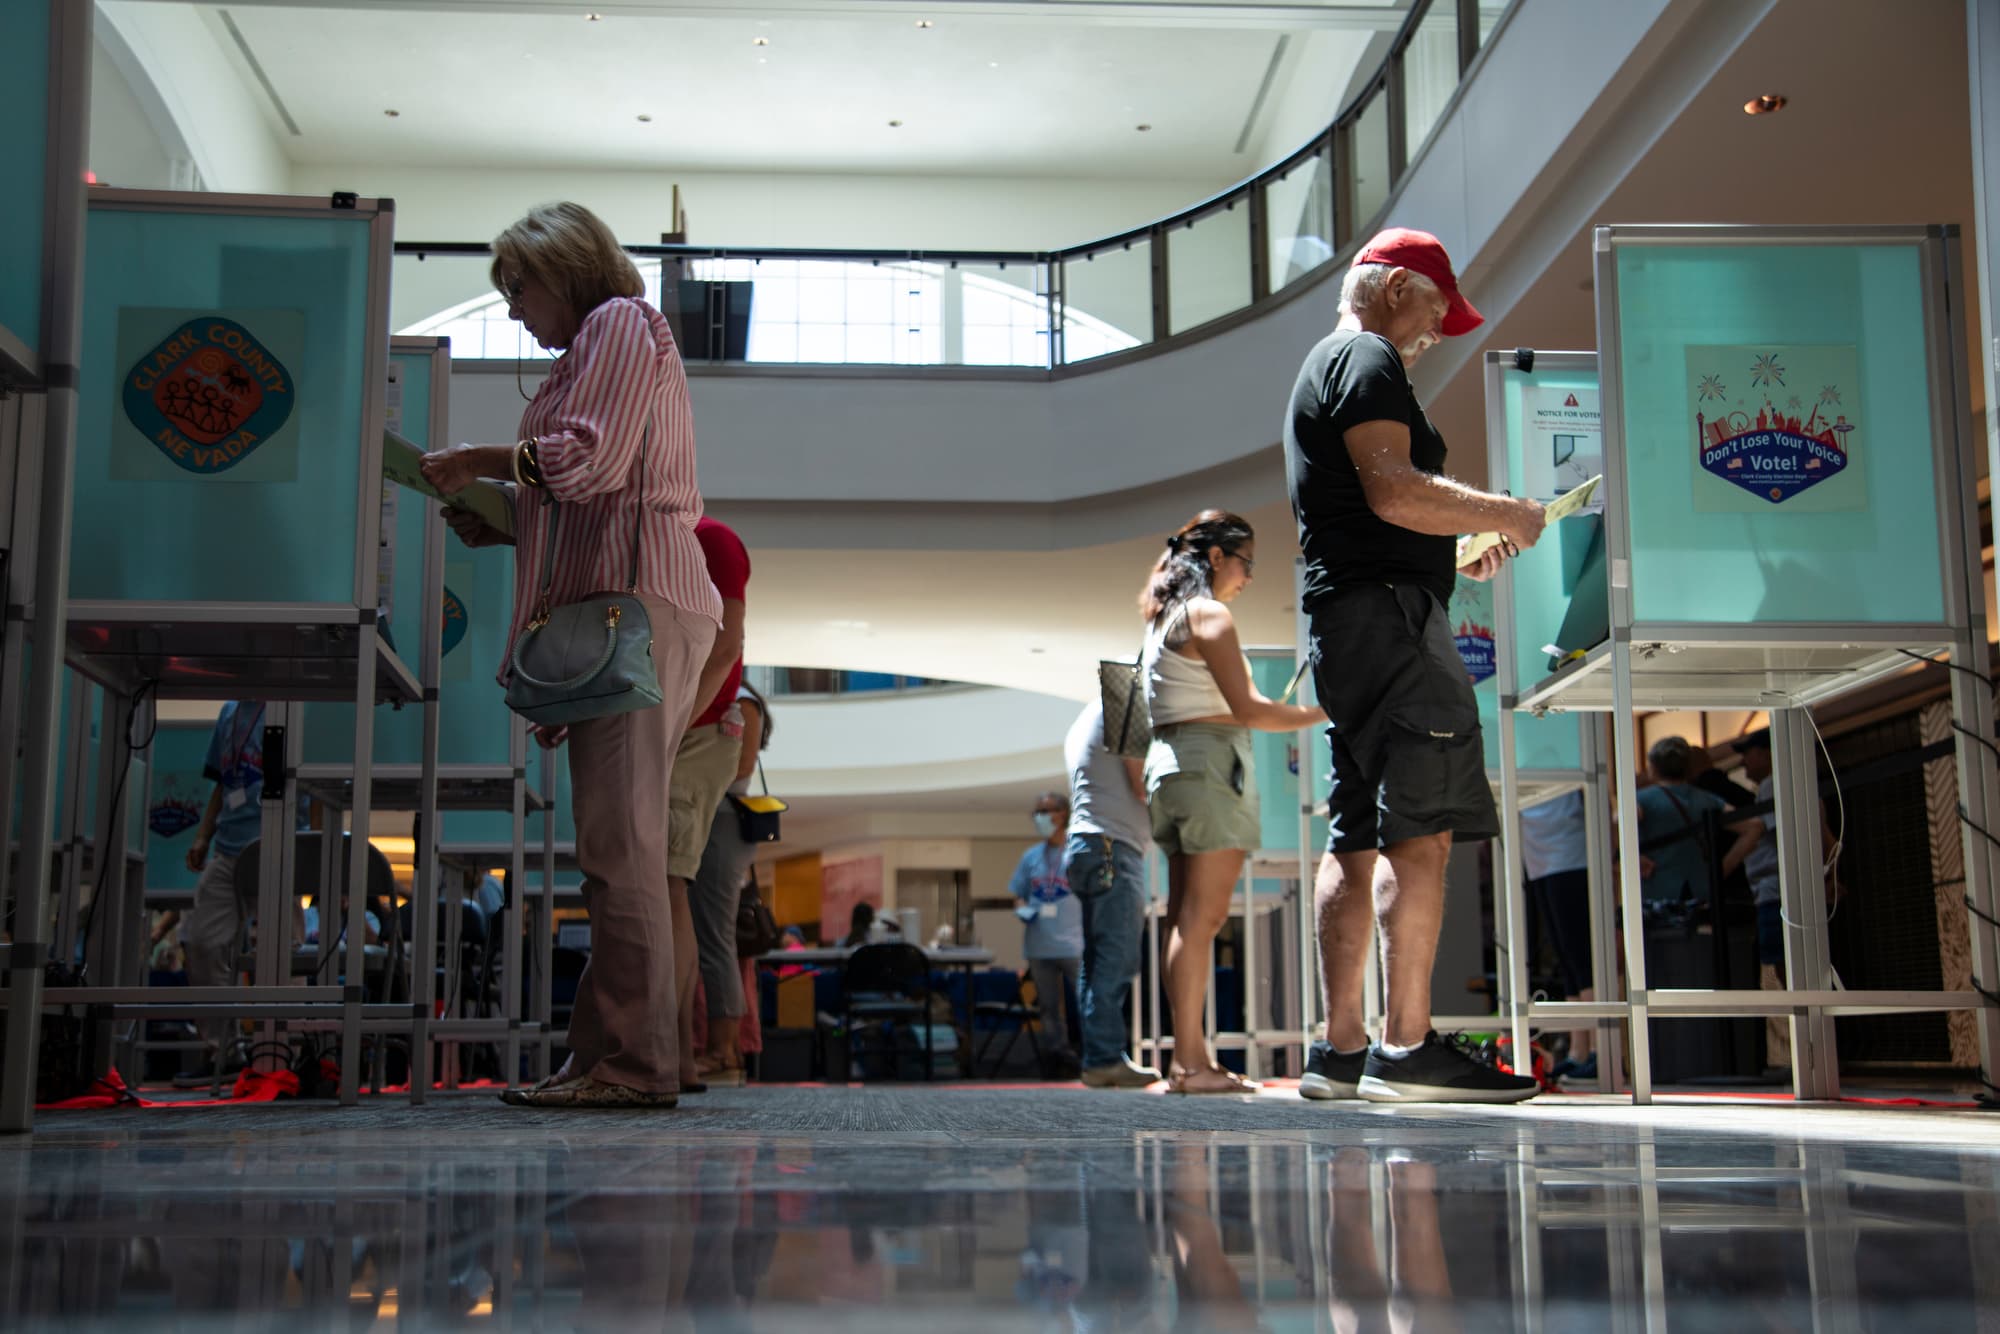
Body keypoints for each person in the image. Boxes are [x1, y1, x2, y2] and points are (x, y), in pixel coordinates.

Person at [422, 201, 721, 1109]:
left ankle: (632, 1066)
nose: (514, 309)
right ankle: (605, 1056)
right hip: (634, 604)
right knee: (617, 845)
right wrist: (511, 520)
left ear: (564, 267)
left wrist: (482, 460)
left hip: (636, 604)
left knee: (619, 848)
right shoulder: (604, 341)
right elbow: (595, 492)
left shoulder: (618, 323)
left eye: (520, 287)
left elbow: (590, 462)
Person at [1285, 229, 1544, 1104]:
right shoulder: (1367, 356)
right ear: (1396, 286)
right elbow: (1394, 488)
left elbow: (1377, 508)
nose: (1438, 330)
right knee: (1421, 827)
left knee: (1355, 832)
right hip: (1392, 622)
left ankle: (1340, 1052)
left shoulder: (1328, 364)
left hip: (1349, 621)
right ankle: (1406, 1047)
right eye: (1437, 308)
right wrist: (1505, 510)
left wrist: (1457, 546)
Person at [1140, 510, 1324, 1095]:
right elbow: (1250, 710)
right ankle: (1191, 1064)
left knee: (1185, 916)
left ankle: (1188, 1061)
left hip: (1171, 766)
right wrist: (1325, 712)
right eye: (1246, 562)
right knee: (1203, 919)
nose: (1249, 576)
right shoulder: (1208, 613)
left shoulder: (1166, 617)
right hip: (1209, 765)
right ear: (1216, 557)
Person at [176, 700, 310, 1088]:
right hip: (228, 848)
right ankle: (223, 1051)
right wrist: (203, 836)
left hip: (280, 845)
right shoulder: (229, 711)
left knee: (283, 953)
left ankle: (287, 1051)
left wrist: (311, 850)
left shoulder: (295, 705)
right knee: (201, 942)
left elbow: (317, 785)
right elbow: (224, 782)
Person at [663, 516, 751, 1090]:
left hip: (691, 730)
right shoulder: (659, 543)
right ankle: (679, 1052)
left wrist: (669, 727)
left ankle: (680, 1052)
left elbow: (726, 646)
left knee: (674, 893)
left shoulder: (708, 539)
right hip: (679, 727)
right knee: (666, 894)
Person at [1720, 728, 1839, 1073]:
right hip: (1796, 888)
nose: (1744, 761)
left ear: (1767, 752)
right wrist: (1829, 874)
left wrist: (1722, 867)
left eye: (1748, 752)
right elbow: (1827, 837)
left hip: (1778, 891)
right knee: (1800, 969)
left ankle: (1809, 1052)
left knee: (1788, 970)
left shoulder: (1775, 785)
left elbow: (1772, 833)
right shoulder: (1800, 784)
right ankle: (1814, 1050)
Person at [1062, 697, 1160, 1090]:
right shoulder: (1126, 701)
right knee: (1116, 958)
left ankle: (1098, 1057)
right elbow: (1142, 783)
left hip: (1092, 845)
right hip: (1112, 847)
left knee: (1098, 960)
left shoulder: (1089, 715)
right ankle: (1104, 1059)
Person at [689, 681, 772, 1086]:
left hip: (722, 821)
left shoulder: (743, 703)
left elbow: (740, 768)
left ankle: (722, 1048)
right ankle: (726, 1049)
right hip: (713, 820)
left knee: (715, 938)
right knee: (711, 938)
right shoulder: (728, 697)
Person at [1518, 790, 1596, 1082]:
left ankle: (1599, 1049)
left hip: (1571, 855)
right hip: (1539, 858)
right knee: (1566, 957)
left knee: (1581, 955)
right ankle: (1579, 1050)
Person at [1009, 792, 1083, 1078]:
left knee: (1086, 1002)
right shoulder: (1031, 857)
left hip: (1073, 945)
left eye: (1045, 811)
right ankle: (1057, 1059)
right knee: (1049, 1009)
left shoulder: (1077, 852)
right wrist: (1022, 909)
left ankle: (1094, 1056)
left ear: (1062, 814)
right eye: (1037, 812)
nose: (1039, 818)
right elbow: (1018, 893)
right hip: (1039, 947)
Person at [1635, 736, 1738, 906]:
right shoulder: (1707, 799)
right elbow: (1754, 826)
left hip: (1657, 892)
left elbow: (1615, 826)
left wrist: (1633, 857)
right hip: (1701, 891)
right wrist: (1720, 869)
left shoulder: (1642, 800)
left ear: (1652, 767)